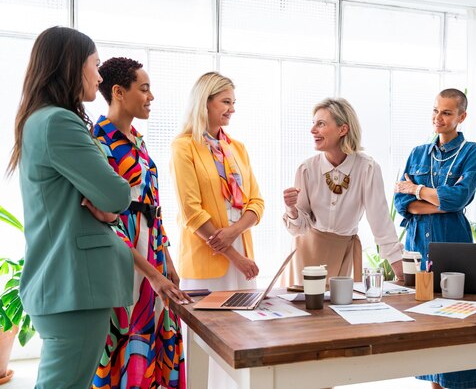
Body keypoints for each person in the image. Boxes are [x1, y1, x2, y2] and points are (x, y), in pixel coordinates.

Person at [6, 26, 134, 388]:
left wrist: (107, 204)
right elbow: (117, 195)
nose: (100, 74)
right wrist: (111, 203)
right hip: (72, 285)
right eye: (95, 64)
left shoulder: (41, 120)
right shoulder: (59, 122)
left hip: (65, 284)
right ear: (71, 66)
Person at [92, 57, 192, 388]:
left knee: (156, 336)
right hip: (121, 256)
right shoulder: (97, 142)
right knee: (124, 336)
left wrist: (167, 263)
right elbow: (108, 223)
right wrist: (152, 273)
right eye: (144, 89)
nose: (151, 97)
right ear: (119, 92)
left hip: (152, 254)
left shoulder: (139, 141)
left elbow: (154, 206)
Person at [171, 71, 263, 388]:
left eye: (233, 102)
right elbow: (191, 212)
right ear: (204, 102)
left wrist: (236, 230)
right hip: (207, 265)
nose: (232, 109)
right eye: (225, 101)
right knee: (206, 347)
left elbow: (256, 203)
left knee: (244, 341)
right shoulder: (183, 147)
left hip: (242, 264)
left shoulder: (237, 147)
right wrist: (235, 256)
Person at [394, 88, 476, 389]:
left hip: (454, 244)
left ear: (461, 116)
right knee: (425, 319)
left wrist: (417, 191)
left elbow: (458, 199)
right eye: (435, 110)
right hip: (417, 246)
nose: (438, 117)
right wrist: (434, 202)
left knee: (457, 318)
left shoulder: (472, 151)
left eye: (446, 112)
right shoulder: (417, 153)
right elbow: (398, 201)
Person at [283, 97, 403, 285]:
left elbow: (380, 221)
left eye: (321, 124)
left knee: (342, 311)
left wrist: (401, 272)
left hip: (345, 253)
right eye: (313, 124)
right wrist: (291, 209)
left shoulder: (367, 168)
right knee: (303, 311)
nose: (313, 130)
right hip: (306, 254)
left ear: (343, 129)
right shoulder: (306, 169)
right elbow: (300, 227)